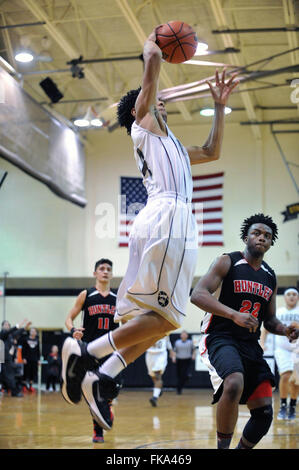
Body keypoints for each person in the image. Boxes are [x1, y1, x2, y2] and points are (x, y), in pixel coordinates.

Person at [61, 25, 239, 432]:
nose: (163, 103)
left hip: (168, 221)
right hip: (167, 217)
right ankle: (85, 354)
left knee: (164, 320)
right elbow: (155, 62)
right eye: (155, 99)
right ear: (143, 106)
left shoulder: (171, 143)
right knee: (167, 317)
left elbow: (212, 151)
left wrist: (219, 104)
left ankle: (102, 377)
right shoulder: (143, 124)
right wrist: (153, 41)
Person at [190, 213, 299, 449]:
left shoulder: (270, 276)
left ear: (271, 243)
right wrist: (233, 314)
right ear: (246, 236)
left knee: (265, 413)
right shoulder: (227, 261)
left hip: (250, 344)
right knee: (234, 381)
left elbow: (269, 320)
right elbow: (197, 295)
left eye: (267, 236)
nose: (261, 238)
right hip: (220, 337)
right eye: (256, 233)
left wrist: (285, 330)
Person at [64, 258, 118, 443]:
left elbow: (125, 324)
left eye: (108, 269)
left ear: (111, 274)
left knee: (111, 390)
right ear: (95, 273)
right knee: (94, 392)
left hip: (111, 349)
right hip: (90, 349)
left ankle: (108, 407)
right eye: (101, 269)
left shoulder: (118, 299)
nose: (105, 271)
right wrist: (73, 330)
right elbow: (69, 318)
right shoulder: (86, 295)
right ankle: (98, 432)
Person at [260, 287, 299, 420]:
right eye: (289, 294)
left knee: (296, 380)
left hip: (296, 349)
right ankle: (283, 406)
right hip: (281, 349)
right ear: (285, 297)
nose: (292, 297)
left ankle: (292, 407)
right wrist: (262, 342)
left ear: (297, 297)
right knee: (286, 375)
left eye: (294, 294)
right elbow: (266, 327)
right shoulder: (278, 312)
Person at [0, 319, 31, 397]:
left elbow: (17, 332)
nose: (7, 326)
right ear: (2, 326)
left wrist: (24, 327)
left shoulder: (10, 335)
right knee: (8, 376)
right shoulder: (2, 333)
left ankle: (14, 391)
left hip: (6, 359)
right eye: (5, 324)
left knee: (8, 376)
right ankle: (15, 392)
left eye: (8, 324)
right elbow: (10, 331)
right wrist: (18, 325)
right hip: (2, 359)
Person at [145, 335, 174, 407]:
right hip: (149, 354)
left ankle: (155, 397)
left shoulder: (164, 326)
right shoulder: (146, 326)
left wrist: (171, 350)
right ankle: (158, 389)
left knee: (157, 375)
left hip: (161, 354)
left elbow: (167, 340)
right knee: (152, 376)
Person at [172, 330, 196, 395]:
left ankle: (178, 389)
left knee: (183, 374)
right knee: (179, 375)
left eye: (185, 334)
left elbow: (194, 350)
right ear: (180, 335)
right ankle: (186, 378)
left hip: (187, 360)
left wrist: (193, 355)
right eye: (182, 334)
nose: (184, 335)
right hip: (179, 360)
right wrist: (174, 357)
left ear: (187, 336)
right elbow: (174, 351)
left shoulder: (190, 342)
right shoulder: (177, 342)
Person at [21, 327, 40, 392]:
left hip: (34, 359)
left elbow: (38, 351)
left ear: (36, 333)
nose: (33, 332)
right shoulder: (25, 339)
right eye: (31, 331)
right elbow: (23, 350)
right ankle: (24, 386)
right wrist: (23, 358)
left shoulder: (37, 340)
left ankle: (30, 387)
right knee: (26, 373)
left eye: (34, 331)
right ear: (30, 332)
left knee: (33, 373)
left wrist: (38, 359)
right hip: (27, 359)